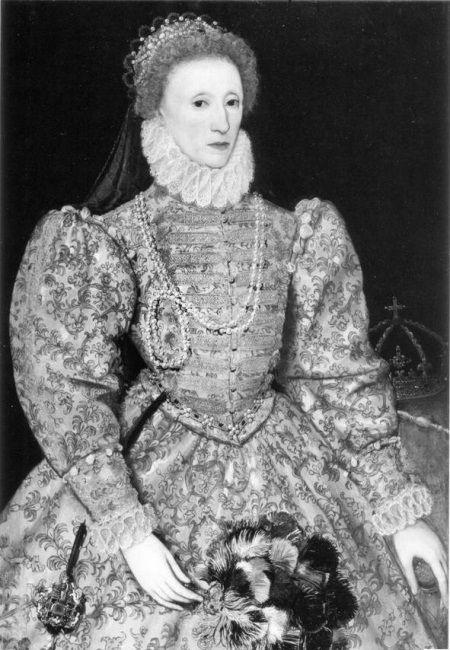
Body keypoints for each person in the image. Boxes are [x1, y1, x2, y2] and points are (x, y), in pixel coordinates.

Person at [0, 13, 447, 649]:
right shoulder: (108, 236)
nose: (221, 121)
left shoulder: (296, 231)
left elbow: (335, 375)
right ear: (157, 111)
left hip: (286, 456)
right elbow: (64, 385)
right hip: (157, 454)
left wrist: (398, 513)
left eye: (232, 102)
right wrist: (127, 528)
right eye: (200, 102)